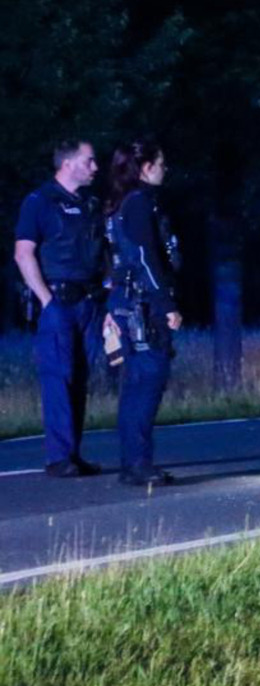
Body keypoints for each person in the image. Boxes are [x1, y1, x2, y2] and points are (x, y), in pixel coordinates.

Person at [13, 139, 106, 477]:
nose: (96, 167)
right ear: (68, 164)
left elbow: (103, 254)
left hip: (89, 301)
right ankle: (58, 457)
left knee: (80, 379)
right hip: (58, 299)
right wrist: (46, 300)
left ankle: (73, 452)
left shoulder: (92, 204)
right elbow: (23, 253)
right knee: (57, 378)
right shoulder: (40, 202)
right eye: (89, 161)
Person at [103, 138, 183, 487]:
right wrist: (166, 305)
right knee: (147, 382)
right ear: (147, 167)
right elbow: (145, 257)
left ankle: (133, 462)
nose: (165, 170)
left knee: (136, 385)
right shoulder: (138, 204)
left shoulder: (121, 203)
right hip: (142, 308)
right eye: (162, 163)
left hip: (127, 302)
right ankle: (138, 464)